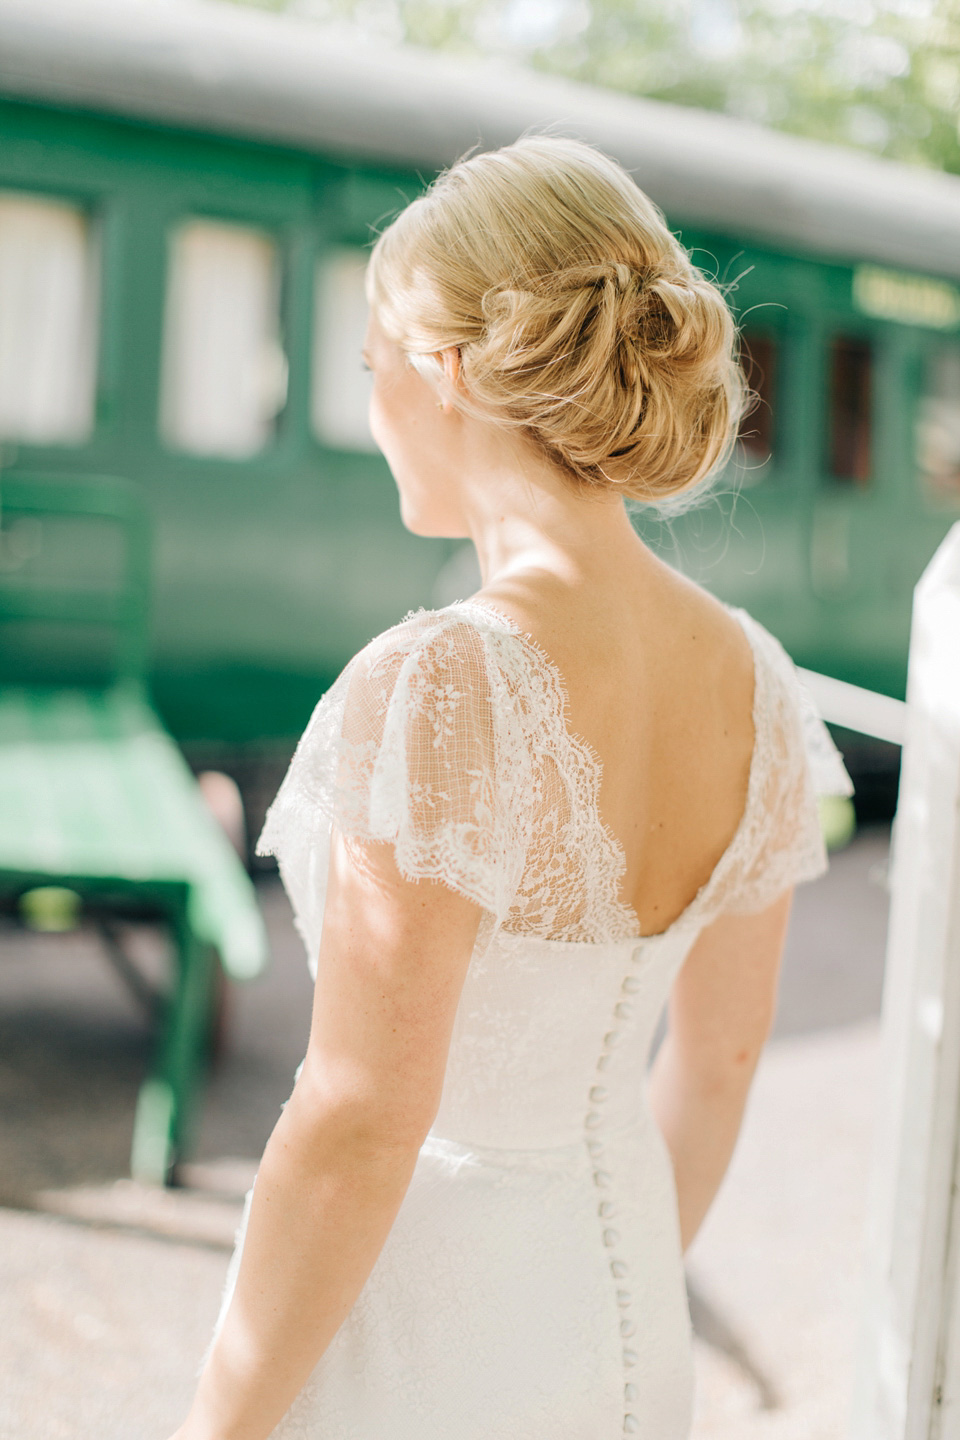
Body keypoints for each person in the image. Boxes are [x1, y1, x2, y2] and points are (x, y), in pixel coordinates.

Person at [169, 134, 852, 1440]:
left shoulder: (440, 686)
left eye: (374, 370)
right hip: (632, 1321)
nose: (372, 411)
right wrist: (607, 1281)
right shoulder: (759, 683)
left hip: (429, 1335)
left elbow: (360, 1120)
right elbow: (720, 1064)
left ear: (448, 371)